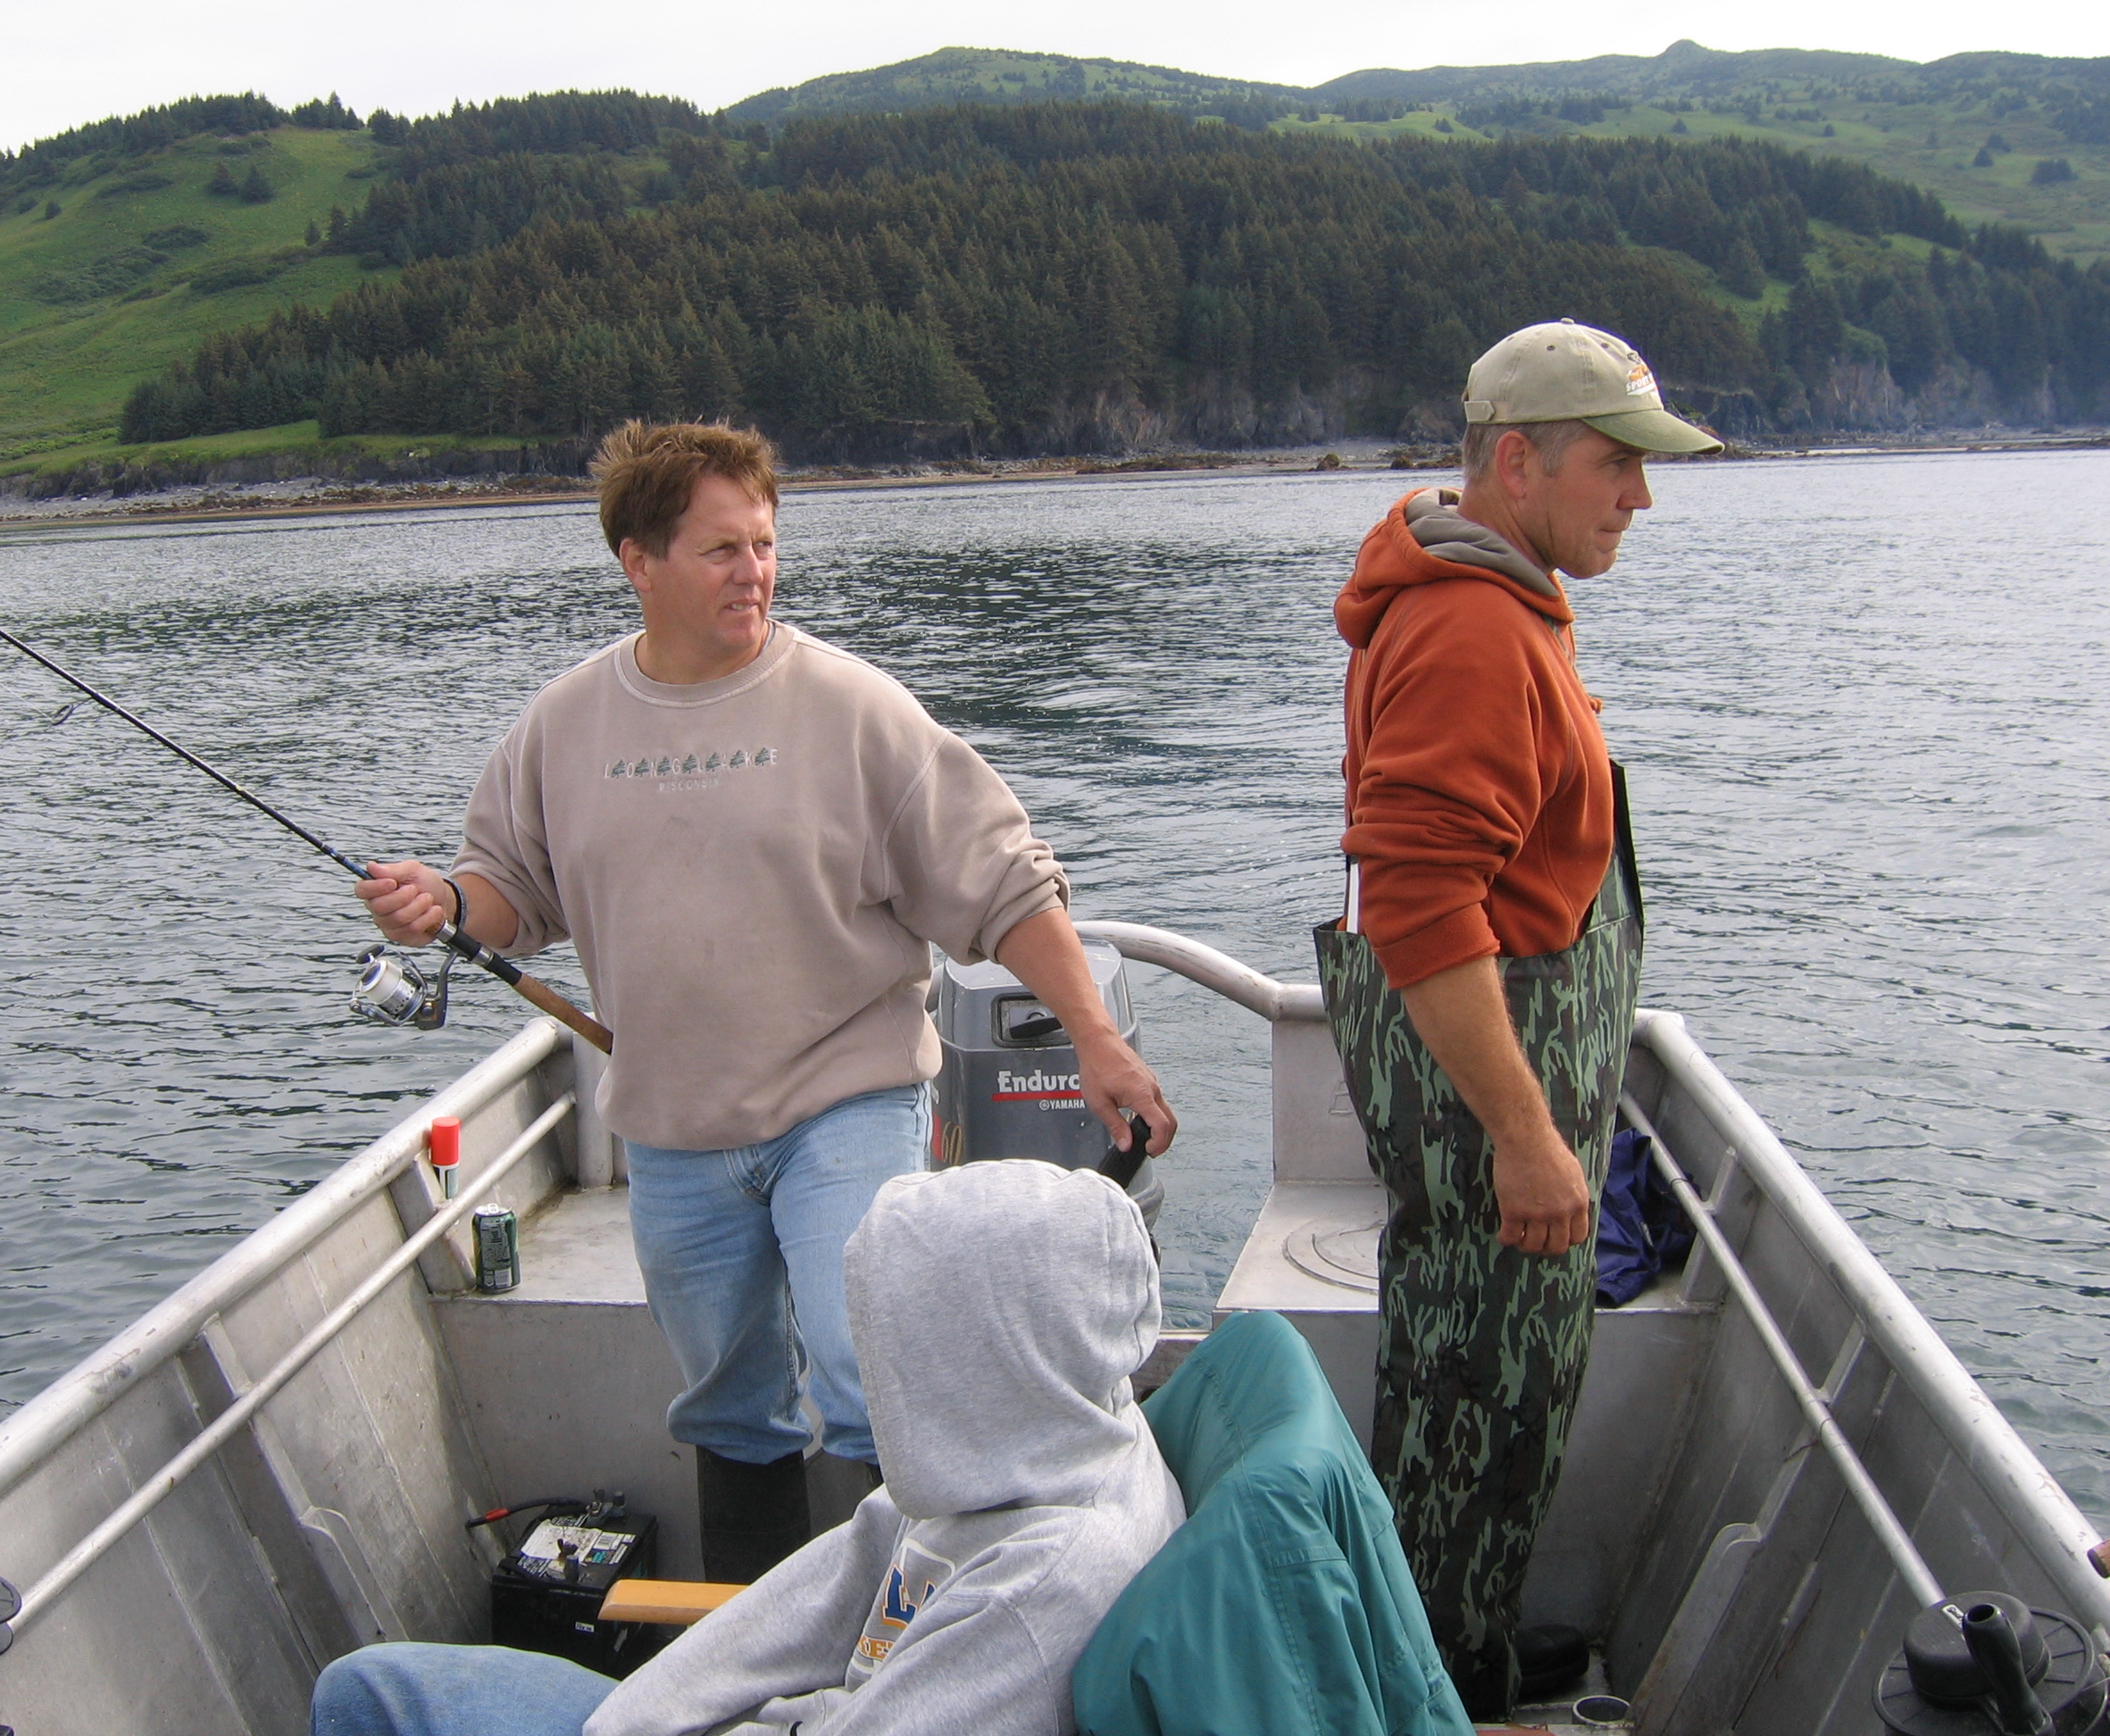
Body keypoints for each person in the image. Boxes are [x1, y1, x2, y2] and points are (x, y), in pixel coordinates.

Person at [355, 421, 1173, 1582]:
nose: (754, 572)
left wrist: (1095, 1036)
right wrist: (442, 901)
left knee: (866, 1370)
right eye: (721, 550)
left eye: (765, 545)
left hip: (846, 1103)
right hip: (673, 1130)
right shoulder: (562, 728)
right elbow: (509, 893)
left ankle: (922, 1624)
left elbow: (1003, 882)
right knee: (728, 1403)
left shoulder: (852, 709)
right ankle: (759, 1631)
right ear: (638, 562)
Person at [1315, 320, 1719, 1716]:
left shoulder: (1499, 597)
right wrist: (1528, 1136)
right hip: (1494, 1109)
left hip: (1498, 1098)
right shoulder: (1474, 629)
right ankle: (1428, 1684)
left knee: (1488, 1387)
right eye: (1617, 465)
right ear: (1517, 464)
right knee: (1473, 1402)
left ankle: (1456, 1645)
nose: (1640, 498)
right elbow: (1420, 903)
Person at [310, 1157, 1185, 1736]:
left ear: (992, 1349)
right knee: (370, 1685)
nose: (881, 1375)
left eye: (905, 1345)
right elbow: (831, 1588)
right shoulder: (1040, 1433)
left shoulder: (1039, 1590)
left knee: (367, 1697)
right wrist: (643, 1716)